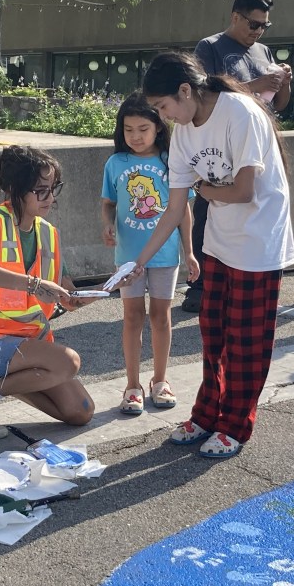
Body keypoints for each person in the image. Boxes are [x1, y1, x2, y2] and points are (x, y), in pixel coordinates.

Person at [130, 51, 294, 458]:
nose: (163, 116)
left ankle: (236, 425)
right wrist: (139, 261)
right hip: (220, 240)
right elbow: (173, 209)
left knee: (247, 341)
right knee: (214, 333)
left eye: (163, 106)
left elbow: (244, 191)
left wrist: (204, 191)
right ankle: (207, 415)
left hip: (258, 241)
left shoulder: (239, 113)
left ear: (186, 91)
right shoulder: (185, 131)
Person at [0, 145, 97, 439]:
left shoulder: (48, 234)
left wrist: (100, 292)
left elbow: (66, 294)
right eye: (41, 190)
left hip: (22, 347)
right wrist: (34, 284)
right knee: (68, 362)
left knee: (80, 411)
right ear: (15, 189)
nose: (50, 199)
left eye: (54, 189)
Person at [182, 0, 292, 314]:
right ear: (235, 16)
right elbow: (204, 91)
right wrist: (257, 84)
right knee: (208, 207)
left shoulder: (264, 51)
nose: (257, 31)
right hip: (220, 141)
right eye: (253, 24)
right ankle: (199, 285)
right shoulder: (210, 47)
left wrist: (282, 82)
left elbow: (280, 105)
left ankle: (246, 278)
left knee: (255, 209)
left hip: (259, 139)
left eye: (264, 26)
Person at [101, 92, 198, 415]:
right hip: (128, 256)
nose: (135, 136)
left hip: (166, 255)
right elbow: (108, 203)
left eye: (143, 128)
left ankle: (160, 380)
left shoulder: (171, 160)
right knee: (132, 317)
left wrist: (190, 252)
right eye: (128, 129)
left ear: (158, 126)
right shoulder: (115, 163)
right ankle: (132, 384)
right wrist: (107, 224)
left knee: (161, 316)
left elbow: (183, 210)